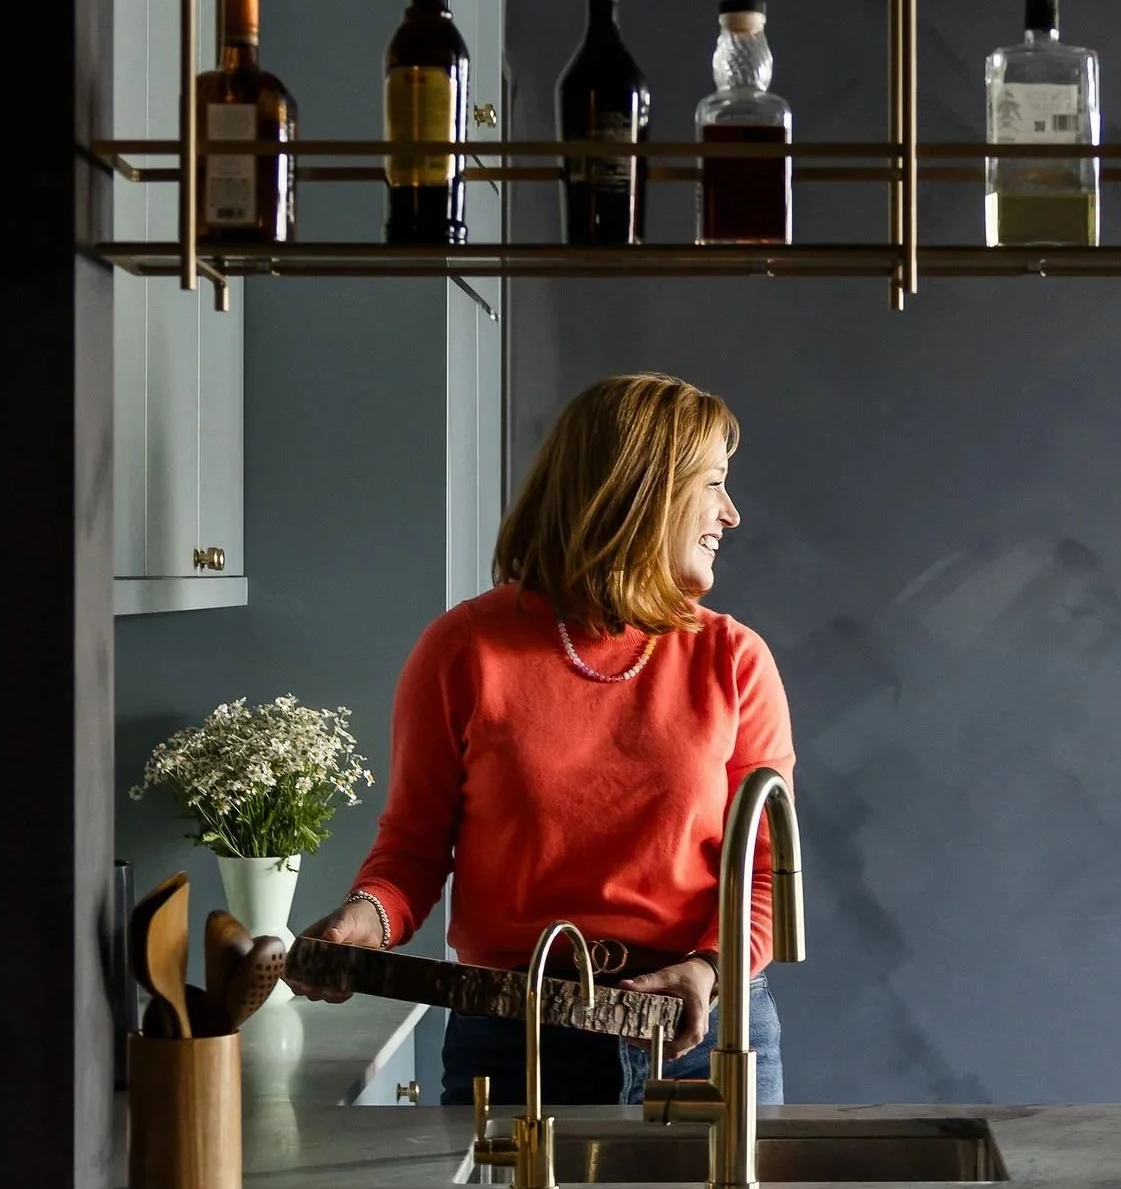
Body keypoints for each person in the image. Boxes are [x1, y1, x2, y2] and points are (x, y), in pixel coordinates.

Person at [288, 371, 795, 1108]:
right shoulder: (463, 649)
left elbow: (765, 876)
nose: (732, 513)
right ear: (640, 490)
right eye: (714, 483)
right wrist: (362, 916)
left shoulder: (734, 660)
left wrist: (712, 969)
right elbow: (414, 849)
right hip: (513, 1040)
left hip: (699, 1039)